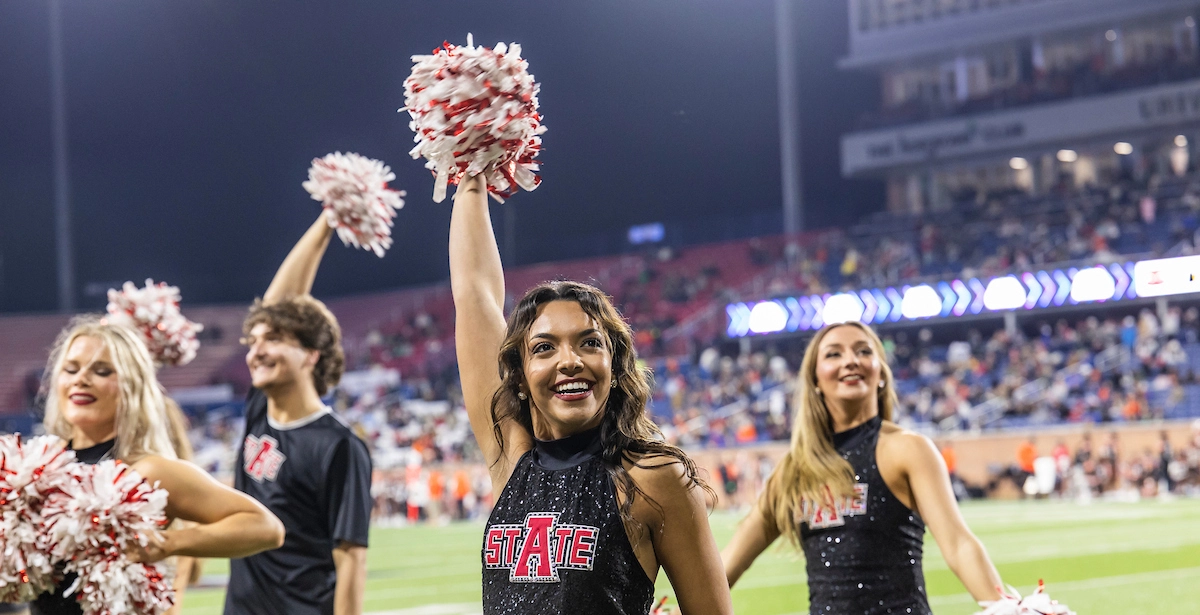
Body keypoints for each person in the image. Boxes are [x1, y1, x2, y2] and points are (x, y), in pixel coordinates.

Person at [450, 175, 733, 615]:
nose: (570, 361)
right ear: (520, 378)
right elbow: (474, 295)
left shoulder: (654, 477)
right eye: (544, 348)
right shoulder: (511, 457)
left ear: (616, 368)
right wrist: (470, 168)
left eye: (589, 342)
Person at [721, 322, 1003, 615]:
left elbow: (959, 544)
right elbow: (729, 563)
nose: (850, 360)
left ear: (880, 372)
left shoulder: (907, 449)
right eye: (833, 354)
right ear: (815, 379)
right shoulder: (794, 470)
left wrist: (1008, 608)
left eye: (863, 351)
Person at [33, 318, 286, 615]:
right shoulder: (37, 471)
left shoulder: (147, 471)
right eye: (71, 369)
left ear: (132, 385)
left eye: (102, 371)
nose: (81, 379)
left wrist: (169, 543)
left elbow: (266, 527)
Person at [226, 214, 373, 615]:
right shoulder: (260, 409)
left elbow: (351, 559)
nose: (256, 352)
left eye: (273, 340)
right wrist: (326, 220)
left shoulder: (341, 446)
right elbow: (272, 306)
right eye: (253, 341)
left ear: (311, 355)